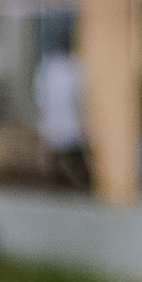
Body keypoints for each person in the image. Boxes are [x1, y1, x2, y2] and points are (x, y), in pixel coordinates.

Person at [33, 28, 91, 191]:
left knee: (65, 158)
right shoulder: (71, 68)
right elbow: (79, 99)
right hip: (65, 123)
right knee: (63, 159)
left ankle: (69, 185)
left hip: (60, 123)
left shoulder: (49, 68)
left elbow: (41, 100)